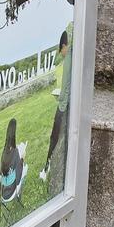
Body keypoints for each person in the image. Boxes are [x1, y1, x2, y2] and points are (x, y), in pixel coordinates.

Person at [40, 29, 72, 182]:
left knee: (54, 137)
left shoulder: (68, 59)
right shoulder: (74, 55)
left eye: (61, 50)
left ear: (64, 46)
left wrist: (61, 107)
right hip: (68, 103)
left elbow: (65, 87)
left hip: (64, 106)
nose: (61, 53)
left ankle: (46, 168)